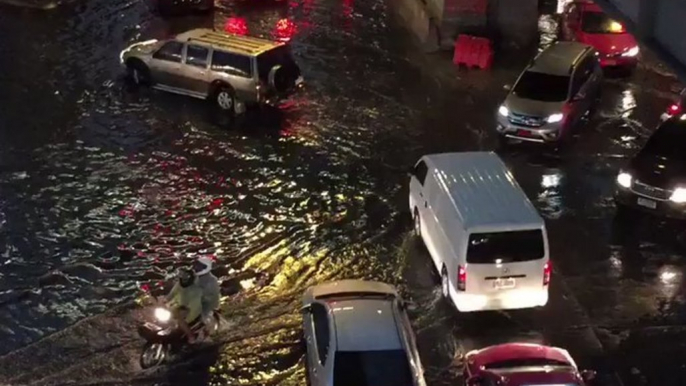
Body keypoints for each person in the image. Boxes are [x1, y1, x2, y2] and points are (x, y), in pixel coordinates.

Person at [165, 267, 203, 344]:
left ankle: (191, 336)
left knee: (180, 318)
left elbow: (197, 300)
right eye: (182, 275)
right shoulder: (179, 284)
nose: (183, 278)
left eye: (185, 275)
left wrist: (188, 308)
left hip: (193, 308)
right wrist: (165, 301)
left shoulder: (196, 286)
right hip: (181, 306)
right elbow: (172, 294)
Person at [193, 257, 221, 334]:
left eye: (199, 266)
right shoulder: (196, 279)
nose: (196, 268)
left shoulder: (211, 280)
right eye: (196, 266)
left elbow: (212, 296)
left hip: (206, 306)